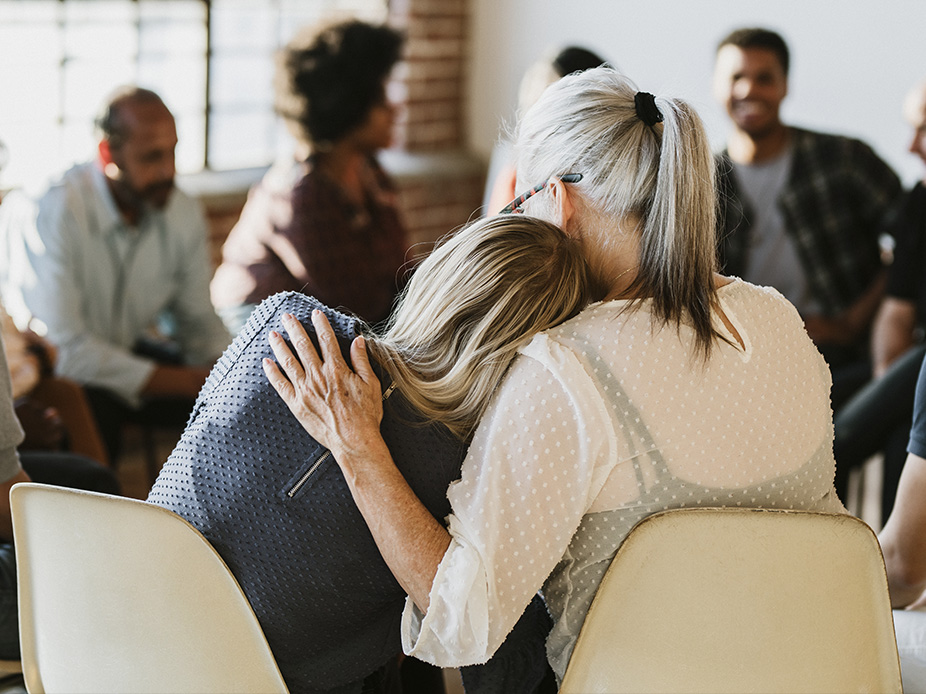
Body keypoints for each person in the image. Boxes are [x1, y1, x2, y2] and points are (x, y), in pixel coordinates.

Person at [265, 67, 845, 684]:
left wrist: (359, 449)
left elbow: (463, 621)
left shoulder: (568, 369)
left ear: (559, 201)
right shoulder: (777, 317)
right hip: (830, 667)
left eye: (523, 199)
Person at [149, 214, 592, 694]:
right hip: (254, 678)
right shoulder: (469, 473)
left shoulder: (285, 321)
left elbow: (196, 440)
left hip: (128, 612)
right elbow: (495, 656)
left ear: (441, 275)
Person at [9, 87, 230, 463]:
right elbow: (67, 354)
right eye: (152, 156)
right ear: (107, 153)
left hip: (124, 354)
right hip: (51, 376)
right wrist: (191, 381)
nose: (168, 171)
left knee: (230, 407)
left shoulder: (181, 210)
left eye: (173, 151)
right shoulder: (53, 209)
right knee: (96, 412)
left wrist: (228, 372)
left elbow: (196, 323)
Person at [712, 27, 901, 409]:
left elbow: (914, 238)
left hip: (844, 356)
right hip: (744, 366)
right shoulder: (701, 181)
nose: (749, 90)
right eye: (736, 77)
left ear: (785, 86)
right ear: (717, 86)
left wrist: (851, 321)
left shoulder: (843, 159)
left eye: (764, 78)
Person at [210, 20, 409, 334]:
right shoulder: (301, 194)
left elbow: (400, 271)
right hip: (264, 332)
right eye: (381, 99)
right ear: (351, 106)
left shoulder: (369, 170)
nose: (395, 109)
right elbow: (356, 307)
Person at [834, 80, 926, 524]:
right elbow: (897, 308)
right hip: (910, 364)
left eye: (925, 129)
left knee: (851, 435)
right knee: (818, 395)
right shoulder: (920, 202)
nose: (911, 146)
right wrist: (892, 384)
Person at [482, 45, 608, 215]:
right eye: (531, 84)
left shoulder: (593, 183)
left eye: (544, 94)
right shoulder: (512, 167)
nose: (531, 99)